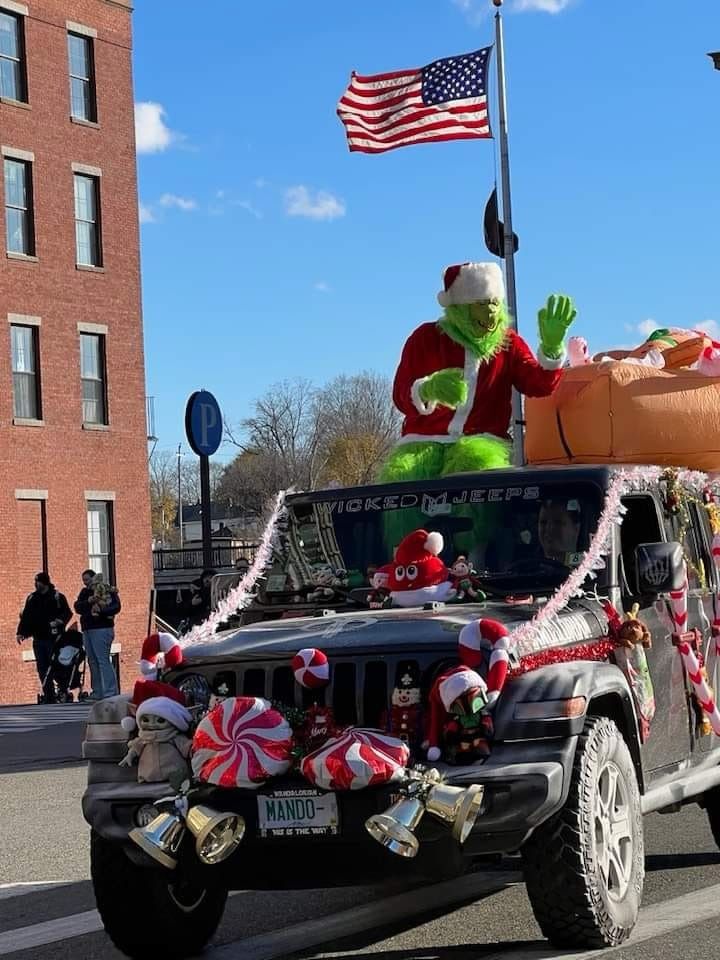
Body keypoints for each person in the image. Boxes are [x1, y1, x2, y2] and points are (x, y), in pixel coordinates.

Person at [16, 573, 72, 703]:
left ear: (45, 583)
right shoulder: (32, 598)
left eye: (38, 582)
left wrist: (59, 621)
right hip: (38, 638)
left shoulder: (57, 597)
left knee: (56, 666)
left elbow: (67, 613)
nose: (36, 584)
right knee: (42, 667)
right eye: (35, 582)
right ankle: (49, 694)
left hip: (54, 638)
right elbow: (26, 617)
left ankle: (62, 690)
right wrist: (21, 632)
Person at [74, 569, 121, 700]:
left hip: (102, 628)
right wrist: (88, 601)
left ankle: (110, 691)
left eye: (87, 580)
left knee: (102, 660)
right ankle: (98, 691)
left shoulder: (106, 589)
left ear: (94, 578)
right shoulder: (85, 592)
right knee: (92, 661)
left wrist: (101, 610)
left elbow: (116, 606)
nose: (85, 583)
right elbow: (77, 606)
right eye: (83, 580)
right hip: (87, 629)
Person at [537, 499, 582, 566]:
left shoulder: (588, 563)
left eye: (558, 522)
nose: (549, 528)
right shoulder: (529, 566)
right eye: (543, 522)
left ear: (576, 528)